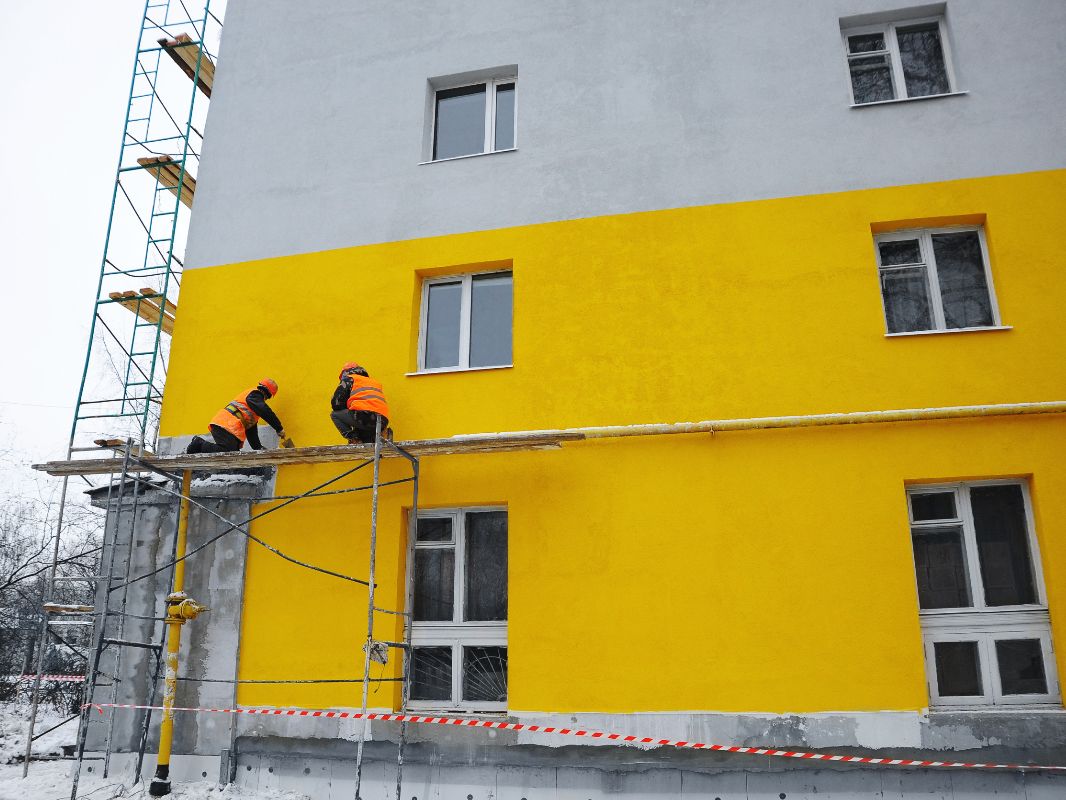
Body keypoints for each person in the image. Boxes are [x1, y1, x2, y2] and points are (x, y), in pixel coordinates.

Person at [186, 379, 287, 453]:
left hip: (227, 426)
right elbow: (265, 411)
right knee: (227, 451)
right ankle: (198, 443)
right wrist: (279, 428)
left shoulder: (252, 408)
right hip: (225, 424)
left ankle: (199, 446)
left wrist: (258, 448)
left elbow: (251, 431)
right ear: (268, 395)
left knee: (233, 453)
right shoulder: (255, 395)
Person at [330, 362, 391, 444]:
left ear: (345, 373)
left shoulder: (349, 378)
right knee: (365, 442)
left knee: (335, 415)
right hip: (382, 421)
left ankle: (353, 438)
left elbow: (336, 403)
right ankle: (381, 435)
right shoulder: (374, 382)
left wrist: (346, 407)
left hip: (364, 416)